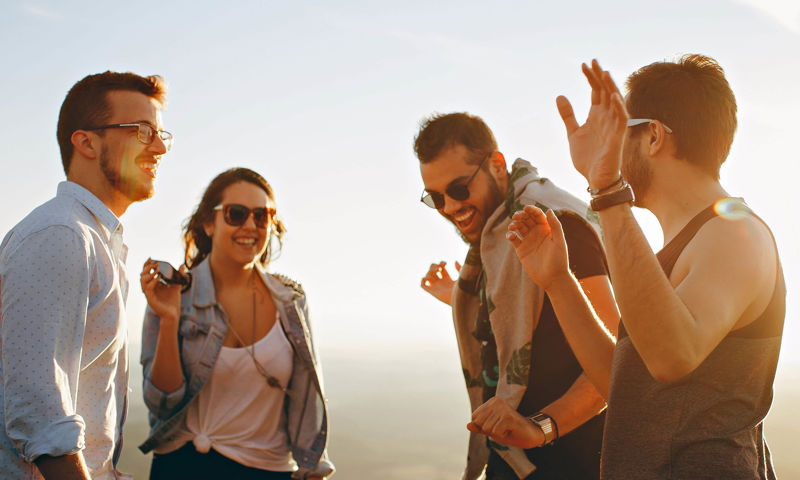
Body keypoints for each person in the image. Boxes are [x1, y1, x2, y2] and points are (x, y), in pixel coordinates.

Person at [481, 55, 785, 478]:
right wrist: (557, 282)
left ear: (654, 136)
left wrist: (606, 188)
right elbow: (629, 387)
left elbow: (671, 357)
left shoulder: (736, 234)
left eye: (618, 131)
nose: (611, 146)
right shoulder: (680, 248)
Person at [415, 113, 619, 480]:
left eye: (459, 189)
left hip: (571, 461)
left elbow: (617, 359)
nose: (449, 207)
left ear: (496, 165)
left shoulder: (556, 224)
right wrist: (462, 297)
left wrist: (541, 428)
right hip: (513, 460)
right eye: (435, 197)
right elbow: (532, 317)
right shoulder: (497, 238)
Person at [0, 71, 170, 479]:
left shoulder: (97, 240)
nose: (160, 147)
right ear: (87, 141)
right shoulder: (61, 236)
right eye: (143, 131)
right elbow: (40, 413)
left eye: (162, 133)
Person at [138, 168, 334, 480]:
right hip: (181, 468)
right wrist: (168, 318)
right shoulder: (174, 294)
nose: (250, 225)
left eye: (262, 216)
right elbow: (162, 404)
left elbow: (306, 396)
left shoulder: (291, 301)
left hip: (267, 471)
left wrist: (313, 467)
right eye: (236, 214)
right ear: (208, 223)